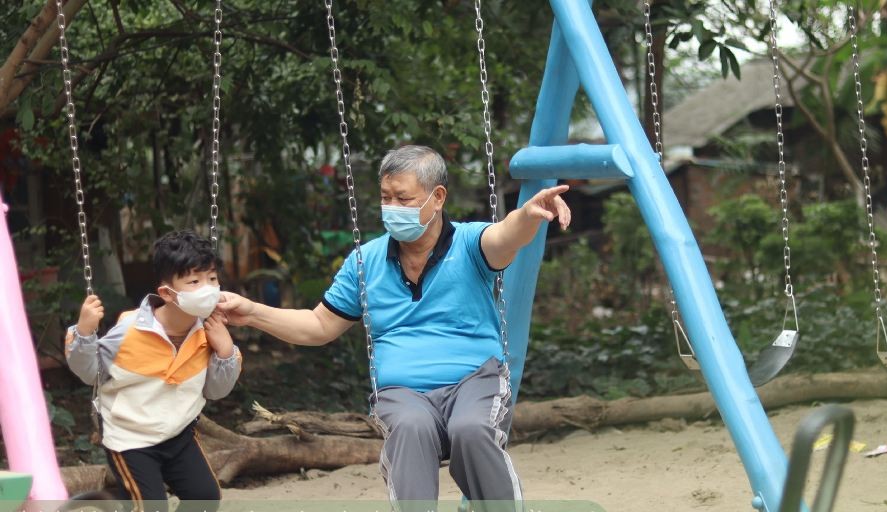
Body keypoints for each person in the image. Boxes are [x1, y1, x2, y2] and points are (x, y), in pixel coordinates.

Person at [218, 145, 571, 511]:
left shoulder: (469, 244)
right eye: (386, 197)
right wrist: (251, 312)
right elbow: (318, 324)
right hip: (403, 392)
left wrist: (528, 216)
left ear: (437, 198)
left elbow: (505, 236)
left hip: (475, 380)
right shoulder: (365, 261)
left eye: (403, 198)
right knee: (410, 429)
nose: (392, 207)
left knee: (471, 430)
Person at [66, 230, 241, 512]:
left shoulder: (209, 331)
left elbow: (216, 391)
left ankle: (117, 500)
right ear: (166, 293)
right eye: (194, 281)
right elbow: (90, 373)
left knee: (205, 498)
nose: (208, 288)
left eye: (212, 279)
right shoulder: (129, 330)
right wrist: (85, 332)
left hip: (179, 434)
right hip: (130, 438)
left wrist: (225, 351)